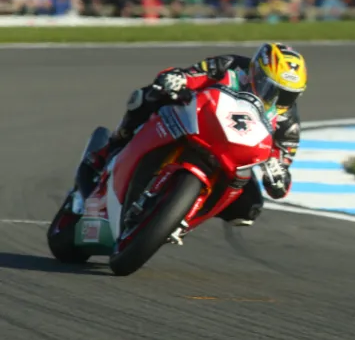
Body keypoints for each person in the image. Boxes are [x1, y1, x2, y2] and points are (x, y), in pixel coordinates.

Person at [84, 42, 307, 226]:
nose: (276, 99)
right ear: (256, 71)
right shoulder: (231, 65)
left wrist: (277, 174)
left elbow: (282, 168)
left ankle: (184, 215)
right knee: (147, 96)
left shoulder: (288, 123)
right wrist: (179, 79)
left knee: (250, 208)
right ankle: (112, 146)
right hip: (199, 120)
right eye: (271, 88)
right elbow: (195, 74)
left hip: (230, 154)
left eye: (286, 96)